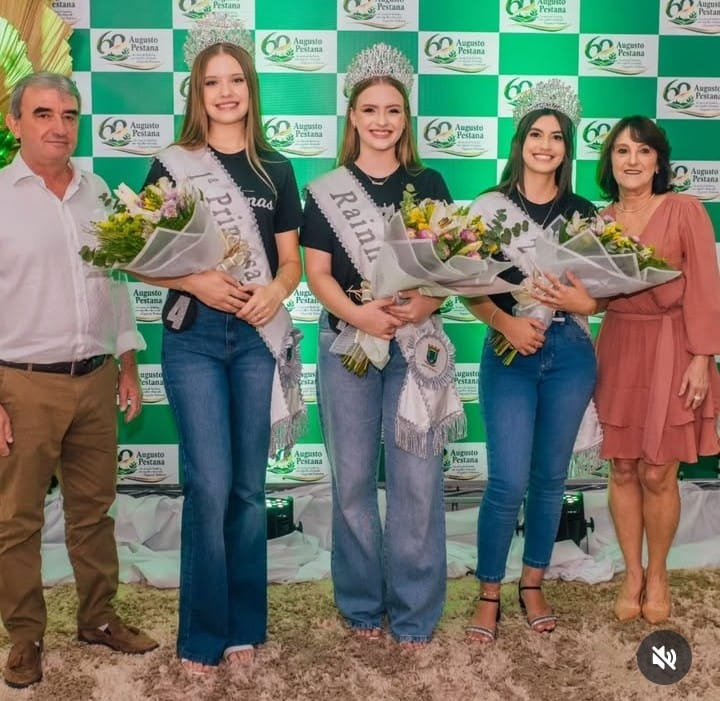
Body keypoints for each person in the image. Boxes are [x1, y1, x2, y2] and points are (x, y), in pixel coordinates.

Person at [139, 15, 304, 675]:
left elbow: (290, 264)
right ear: (197, 92)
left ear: (250, 88)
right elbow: (139, 257)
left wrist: (278, 292)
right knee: (208, 484)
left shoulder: (277, 169)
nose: (226, 92)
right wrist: (195, 281)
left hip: (256, 338)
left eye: (236, 80)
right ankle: (202, 635)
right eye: (213, 82)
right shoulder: (172, 164)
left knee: (248, 488)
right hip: (195, 338)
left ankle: (244, 628)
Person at [301, 43, 465, 646]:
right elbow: (317, 273)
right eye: (369, 109)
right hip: (347, 340)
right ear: (352, 117)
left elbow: (450, 264)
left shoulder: (429, 182)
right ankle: (362, 604)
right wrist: (360, 316)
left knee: (417, 481)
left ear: (405, 118)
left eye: (392, 110)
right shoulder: (326, 189)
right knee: (351, 483)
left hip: (414, 344)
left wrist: (426, 304)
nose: (381, 120)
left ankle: (416, 610)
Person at [0, 72, 157, 690]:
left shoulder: (99, 193)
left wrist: (127, 363)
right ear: (15, 123)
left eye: (68, 115)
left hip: (95, 378)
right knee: (17, 521)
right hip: (21, 386)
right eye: (43, 114)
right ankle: (24, 636)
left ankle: (98, 618)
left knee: (93, 512)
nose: (58, 126)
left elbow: (114, 282)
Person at [463, 80, 597, 642]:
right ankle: (489, 590)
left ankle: (533, 582)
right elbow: (465, 287)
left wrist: (583, 304)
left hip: (570, 353)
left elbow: (597, 294)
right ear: (519, 143)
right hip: (509, 350)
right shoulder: (487, 208)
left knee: (550, 479)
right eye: (536, 135)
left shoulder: (583, 213)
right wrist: (506, 323)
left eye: (557, 137)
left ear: (567, 149)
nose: (546, 145)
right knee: (507, 479)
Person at [593, 116, 720, 624]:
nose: (633, 160)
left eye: (643, 151)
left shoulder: (685, 209)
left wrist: (702, 358)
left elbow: (706, 287)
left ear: (658, 162)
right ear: (609, 161)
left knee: (658, 470)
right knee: (623, 466)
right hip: (620, 343)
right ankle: (632, 573)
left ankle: (659, 573)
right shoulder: (599, 221)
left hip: (674, 346)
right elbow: (596, 297)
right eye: (622, 150)